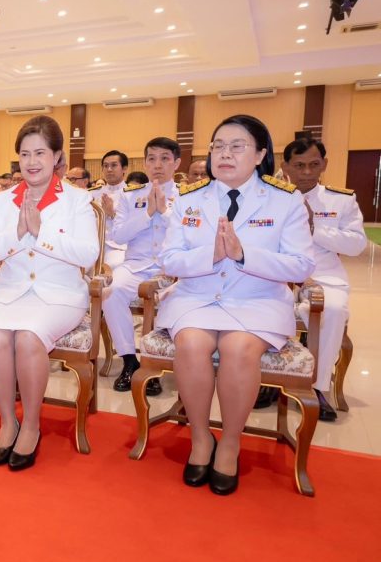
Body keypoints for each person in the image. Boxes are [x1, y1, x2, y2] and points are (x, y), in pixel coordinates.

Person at [157, 114, 314, 495]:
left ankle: (229, 442)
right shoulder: (189, 199)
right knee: (191, 343)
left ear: (260, 154)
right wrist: (210, 256)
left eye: (237, 147)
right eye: (218, 146)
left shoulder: (285, 200)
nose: (224, 154)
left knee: (238, 347)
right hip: (198, 297)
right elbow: (169, 260)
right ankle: (200, 437)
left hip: (257, 300)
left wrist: (244, 254)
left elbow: (301, 265)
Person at [0, 116, 99, 471]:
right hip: (10, 290)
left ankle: (30, 424)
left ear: (56, 156)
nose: (31, 162)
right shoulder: (0, 202)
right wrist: (17, 232)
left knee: (29, 338)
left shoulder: (78, 199)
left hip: (59, 293)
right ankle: (7, 422)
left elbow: (87, 255)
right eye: (25, 154)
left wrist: (41, 232)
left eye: (40, 153)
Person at [280, 138, 367, 421]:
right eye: (299, 165)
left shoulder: (341, 200)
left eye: (314, 164)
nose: (307, 172)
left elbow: (356, 245)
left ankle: (316, 386)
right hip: (278, 274)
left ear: (324, 165)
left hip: (323, 275)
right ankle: (268, 379)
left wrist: (314, 227)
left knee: (333, 309)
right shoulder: (270, 197)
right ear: (285, 167)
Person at [104, 137, 181, 395]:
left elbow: (192, 236)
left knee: (174, 300)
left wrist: (165, 211)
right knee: (111, 291)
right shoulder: (129, 196)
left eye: (165, 159)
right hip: (137, 266)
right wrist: (147, 213)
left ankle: (155, 364)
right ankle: (130, 361)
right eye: (152, 159)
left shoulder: (187, 196)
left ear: (176, 163)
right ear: (145, 163)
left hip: (174, 270)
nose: (157, 165)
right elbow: (118, 236)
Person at [89, 150, 130, 268]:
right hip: (93, 244)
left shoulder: (133, 195)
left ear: (124, 168)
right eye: (105, 166)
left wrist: (112, 214)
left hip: (117, 247)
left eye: (114, 165)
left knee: (113, 265)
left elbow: (134, 227)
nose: (109, 169)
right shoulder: (92, 194)